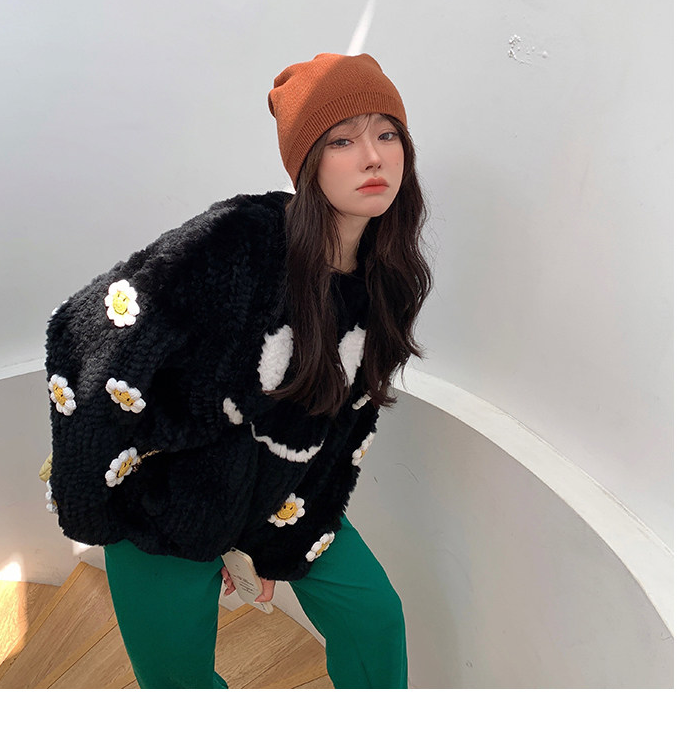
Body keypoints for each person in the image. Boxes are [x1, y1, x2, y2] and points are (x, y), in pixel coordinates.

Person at [44, 52, 432, 689]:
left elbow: (342, 425)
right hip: (165, 509)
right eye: (342, 140)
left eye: (387, 135)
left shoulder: (387, 278)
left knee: (374, 617)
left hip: (285, 500)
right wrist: (97, 490)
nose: (373, 157)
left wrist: (272, 537)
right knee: (180, 687)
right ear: (308, 161)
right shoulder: (242, 239)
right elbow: (83, 333)